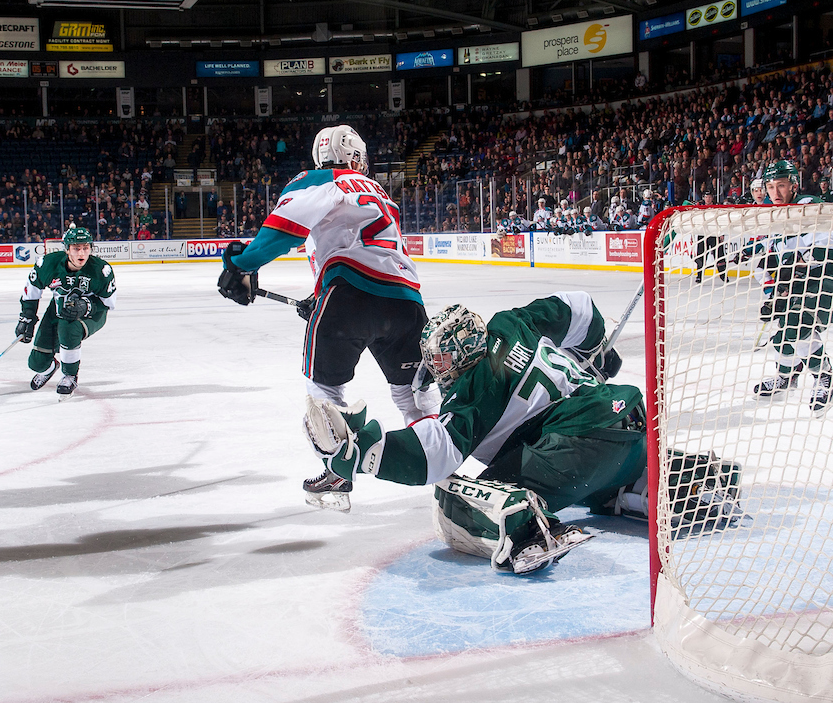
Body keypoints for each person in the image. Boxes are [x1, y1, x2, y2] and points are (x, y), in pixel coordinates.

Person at [301, 293, 660, 573]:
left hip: (576, 446)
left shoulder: (475, 385)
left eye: (440, 360)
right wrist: (594, 348)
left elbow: (435, 456)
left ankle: (526, 531)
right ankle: (647, 484)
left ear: (462, 353)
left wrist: (366, 454)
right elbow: (577, 306)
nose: (437, 370)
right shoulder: (513, 322)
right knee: (589, 473)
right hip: (629, 418)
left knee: (455, 500)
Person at [218, 124, 431, 511]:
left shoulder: (319, 180)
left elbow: (284, 231)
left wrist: (240, 263)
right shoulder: (378, 191)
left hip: (349, 295)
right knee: (412, 392)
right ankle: (444, 464)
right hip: (407, 302)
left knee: (324, 393)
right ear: (354, 156)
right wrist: (320, 298)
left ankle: (337, 475)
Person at [745, 159, 833, 411]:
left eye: (781, 186)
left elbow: (824, 249)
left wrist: (797, 262)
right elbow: (770, 261)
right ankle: (787, 375)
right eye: (770, 187)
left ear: (794, 185)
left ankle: (824, 375)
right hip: (800, 284)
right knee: (782, 336)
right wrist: (772, 293)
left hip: (825, 279)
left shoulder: (810, 207)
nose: (775, 193)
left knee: (796, 326)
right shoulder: (776, 218)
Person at [16, 226, 116, 400]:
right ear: (67, 249)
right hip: (58, 309)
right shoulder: (48, 264)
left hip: (92, 314)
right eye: (76, 248)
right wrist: (27, 317)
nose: (81, 253)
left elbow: (107, 303)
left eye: (85, 248)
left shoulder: (101, 270)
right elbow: (32, 290)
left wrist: (85, 307)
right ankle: (50, 368)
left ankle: (70, 375)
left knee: (69, 327)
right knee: (36, 362)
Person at [694, 191, 728, 284]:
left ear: (712, 198)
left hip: (715, 234)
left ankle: (723, 275)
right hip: (703, 234)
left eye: (709, 197)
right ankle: (699, 276)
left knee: (719, 255)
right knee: (701, 256)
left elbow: (721, 221)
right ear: (704, 198)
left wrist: (722, 233)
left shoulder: (717, 208)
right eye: (706, 197)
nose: (708, 199)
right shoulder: (700, 208)